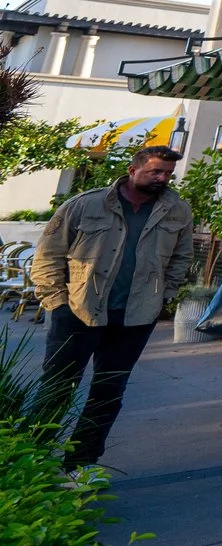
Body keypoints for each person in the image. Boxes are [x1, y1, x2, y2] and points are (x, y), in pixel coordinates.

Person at [32, 144, 193, 468]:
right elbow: (48, 255)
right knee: (57, 387)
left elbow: (182, 256)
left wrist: (165, 295)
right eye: (155, 172)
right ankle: (30, 460)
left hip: (135, 316)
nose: (162, 178)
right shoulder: (85, 205)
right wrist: (58, 303)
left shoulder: (177, 211)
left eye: (167, 173)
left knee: (109, 391)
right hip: (78, 310)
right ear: (133, 170)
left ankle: (79, 463)